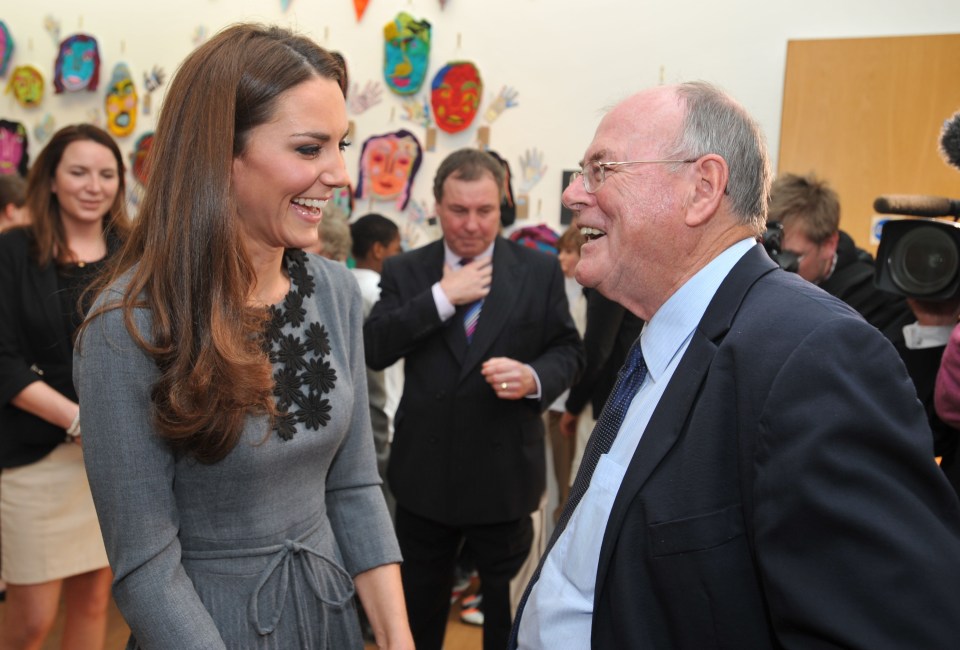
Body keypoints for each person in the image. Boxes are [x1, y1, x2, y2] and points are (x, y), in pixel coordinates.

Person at [511, 81, 960, 649]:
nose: (574, 193)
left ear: (703, 188)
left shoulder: (814, 357)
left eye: (602, 169)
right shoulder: (670, 333)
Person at [73, 24, 413, 649]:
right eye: (310, 149)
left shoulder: (335, 291)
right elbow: (146, 565)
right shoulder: (129, 327)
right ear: (220, 155)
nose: (339, 173)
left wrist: (397, 639)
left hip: (327, 611)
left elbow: (356, 485)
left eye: (341, 145)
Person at [364, 148, 583, 650]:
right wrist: (444, 297)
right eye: (459, 211)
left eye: (485, 211)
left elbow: (568, 351)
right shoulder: (406, 270)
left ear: (502, 204)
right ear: (437, 206)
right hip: (423, 481)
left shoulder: (538, 270)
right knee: (417, 616)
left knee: (508, 620)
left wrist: (532, 376)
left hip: (504, 480)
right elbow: (375, 347)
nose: (471, 224)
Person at [0, 124, 129, 650]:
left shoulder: (134, 251)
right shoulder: (13, 251)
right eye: (78, 172)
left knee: (95, 604)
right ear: (51, 178)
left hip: (113, 464)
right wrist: (78, 422)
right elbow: (2, 360)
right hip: (35, 459)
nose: (93, 186)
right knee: (31, 621)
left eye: (106, 174)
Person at [768, 171, 914, 343]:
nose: (775, 265)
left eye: (790, 257)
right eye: (769, 250)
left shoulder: (878, 302)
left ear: (829, 245)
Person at [349, 212, 403, 515]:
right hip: (384, 416)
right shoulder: (376, 292)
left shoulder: (342, 285)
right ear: (378, 250)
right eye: (396, 248)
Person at [544, 225, 587, 523]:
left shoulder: (587, 295)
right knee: (555, 478)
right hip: (554, 399)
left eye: (569, 252)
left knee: (569, 477)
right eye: (560, 251)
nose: (562, 258)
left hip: (573, 401)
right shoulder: (555, 288)